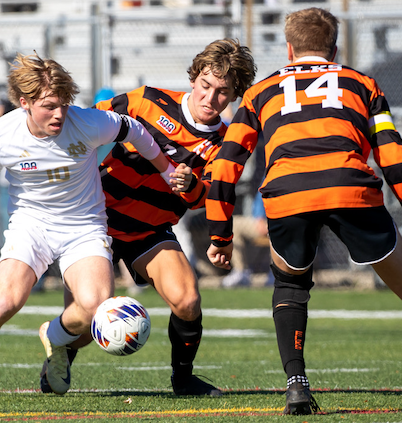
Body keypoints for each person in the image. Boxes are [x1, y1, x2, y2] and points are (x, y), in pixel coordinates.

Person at [206, 8, 402, 415]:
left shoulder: (259, 91)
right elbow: (394, 158)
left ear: (289, 48)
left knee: (291, 287)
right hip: (350, 186)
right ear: (334, 49)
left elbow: (227, 165)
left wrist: (219, 235)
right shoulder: (362, 83)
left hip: (289, 194)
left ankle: (297, 386)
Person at [0, 52, 176, 398]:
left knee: (96, 305)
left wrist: (167, 171)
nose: (60, 113)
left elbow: (134, 129)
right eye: (49, 105)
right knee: (6, 302)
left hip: (83, 228)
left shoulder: (87, 122)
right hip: (30, 227)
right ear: (24, 103)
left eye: (64, 104)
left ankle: (55, 337)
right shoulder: (1, 136)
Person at [38, 39, 257, 396]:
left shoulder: (226, 143)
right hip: (96, 223)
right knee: (86, 320)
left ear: (235, 95)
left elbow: (206, 198)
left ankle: (183, 380)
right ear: (193, 78)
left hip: (150, 230)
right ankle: (60, 350)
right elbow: (83, 122)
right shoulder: (146, 101)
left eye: (222, 92)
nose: (210, 98)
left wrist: (189, 186)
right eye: (205, 85)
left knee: (187, 300)